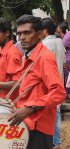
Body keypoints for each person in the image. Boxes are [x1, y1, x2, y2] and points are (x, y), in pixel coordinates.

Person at [8, 15, 66, 149]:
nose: (22, 37)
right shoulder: (29, 55)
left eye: (27, 33)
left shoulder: (44, 58)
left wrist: (30, 108)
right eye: (19, 33)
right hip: (28, 123)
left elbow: (59, 92)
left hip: (38, 125)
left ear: (40, 34)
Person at [41, 18, 66, 149]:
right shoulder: (59, 42)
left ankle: (55, 141)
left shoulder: (43, 45)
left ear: (44, 30)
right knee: (56, 110)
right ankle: (56, 141)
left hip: (47, 84)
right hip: (59, 82)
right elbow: (64, 65)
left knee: (52, 113)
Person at [62, 23, 70, 102]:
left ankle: (67, 95)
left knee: (68, 78)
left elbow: (63, 45)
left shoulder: (68, 35)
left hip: (68, 59)